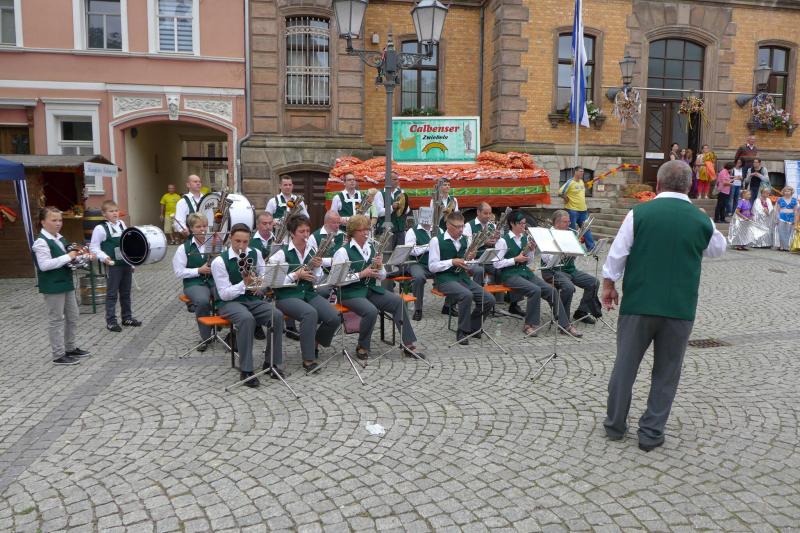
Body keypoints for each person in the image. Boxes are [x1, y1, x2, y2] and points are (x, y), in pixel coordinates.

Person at [601, 160, 726, 452]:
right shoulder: (700, 219)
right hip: (679, 308)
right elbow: (718, 248)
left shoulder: (639, 213)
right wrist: (701, 224)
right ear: (690, 186)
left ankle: (615, 425)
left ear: (657, 185)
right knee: (666, 373)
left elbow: (617, 255)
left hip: (639, 303)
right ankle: (651, 432)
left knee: (625, 366)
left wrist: (608, 285)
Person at [332, 215, 425, 360]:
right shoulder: (342, 252)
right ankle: (362, 346)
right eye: (362, 230)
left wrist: (380, 267)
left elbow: (382, 276)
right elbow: (337, 281)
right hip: (349, 293)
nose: (366, 233)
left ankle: (408, 345)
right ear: (353, 232)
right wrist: (361, 274)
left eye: (367, 229)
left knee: (398, 302)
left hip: (369, 289)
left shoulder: (370, 248)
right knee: (371, 311)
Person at [211, 223, 286, 388]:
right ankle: (246, 369)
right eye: (237, 241)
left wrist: (260, 283)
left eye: (245, 242)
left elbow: (263, 274)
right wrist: (244, 284)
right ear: (230, 239)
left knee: (276, 315)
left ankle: (271, 363)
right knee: (246, 319)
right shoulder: (219, 261)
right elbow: (224, 294)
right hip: (229, 303)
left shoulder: (255, 253)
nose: (241, 246)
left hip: (252, 299)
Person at [268, 215, 339, 373]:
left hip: (308, 293)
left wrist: (317, 267)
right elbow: (273, 282)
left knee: (334, 317)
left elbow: (317, 279)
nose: (306, 234)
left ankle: (314, 342)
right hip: (287, 296)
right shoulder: (280, 254)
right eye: (301, 231)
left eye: (307, 231)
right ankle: (308, 359)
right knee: (310, 313)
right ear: (292, 233)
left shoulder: (311, 251)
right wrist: (296, 275)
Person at [493, 210, 580, 338]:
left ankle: (564, 325)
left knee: (551, 291)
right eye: (521, 224)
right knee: (535, 290)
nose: (524, 226)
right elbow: (496, 264)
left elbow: (529, 261)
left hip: (524, 272)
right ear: (512, 223)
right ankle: (529, 325)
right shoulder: (503, 241)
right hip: (510, 275)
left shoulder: (524, 238)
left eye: (524, 223)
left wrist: (532, 251)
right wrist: (514, 259)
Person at [33, 207, 93, 365]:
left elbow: (70, 258)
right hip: (52, 286)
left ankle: (70, 348)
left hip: (66, 283)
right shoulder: (41, 242)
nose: (58, 223)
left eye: (60, 220)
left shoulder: (60, 238)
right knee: (56, 320)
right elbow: (44, 265)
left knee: (73, 316)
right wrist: (68, 256)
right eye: (54, 220)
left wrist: (83, 257)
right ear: (43, 222)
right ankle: (58, 355)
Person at [428, 211, 496, 345]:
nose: (461, 230)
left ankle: (473, 327)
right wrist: (451, 262)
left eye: (462, 226)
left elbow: (468, 265)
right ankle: (462, 331)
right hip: (444, 279)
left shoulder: (466, 239)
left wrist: (470, 259)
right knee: (466, 295)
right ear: (448, 225)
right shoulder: (436, 241)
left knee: (489, 299)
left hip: (462, 278)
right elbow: (432, 267)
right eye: (457, 227)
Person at [540, 210, 602, 326]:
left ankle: (581, 312)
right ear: (557, 223)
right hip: (552, 271)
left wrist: (575, 249)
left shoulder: (569, 234)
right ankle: (563, 319)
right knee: (568, 287)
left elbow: (574, 258)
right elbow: (547, 259)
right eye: (566, 222)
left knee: (594, 282)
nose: (569, 224)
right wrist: (562, 249)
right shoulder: (547, 236)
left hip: (570, 270)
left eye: (569, 221)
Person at [90, 200, 142, 332]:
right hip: (113, 265)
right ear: (104, 214)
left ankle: (127, 317)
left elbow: (127, 244)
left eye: (116, 210)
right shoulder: (100, 228)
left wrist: (132, 262)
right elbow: (94, 247)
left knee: (126, 292)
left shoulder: (122, 224)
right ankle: (111, 321)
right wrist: (104, 257)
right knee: (112, 294)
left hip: (125, 263)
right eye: (111, 211)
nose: (114, 213)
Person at [172, 213, 215, 352]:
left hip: (214, 280)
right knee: (202, 301)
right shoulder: (183, 248)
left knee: (228, 297)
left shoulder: (214, 243)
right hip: (194, 283)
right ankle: (205, 337)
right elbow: (178, 272)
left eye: (205, 226)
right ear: (191, 228)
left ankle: (229, 331)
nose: (202, 229)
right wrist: (198, 270)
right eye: (198, 226)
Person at [404, 208, 435, 321]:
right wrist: (428, 246)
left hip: (435, 263)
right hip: (417, 263)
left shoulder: (438, 230)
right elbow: (410, 250)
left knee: (453, 271)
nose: (427, 219)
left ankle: (448, 306)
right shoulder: (412, 231)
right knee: (418, 278)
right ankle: (418, 309)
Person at [308, 210, 346, 299]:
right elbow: (312, 260)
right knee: (321, 291)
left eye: (338, 223)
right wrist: (332, 261)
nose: (337, 226)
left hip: (342, 272)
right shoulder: (314, 237)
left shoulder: (343, 235)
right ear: (326, 223)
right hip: (323, 273)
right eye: (334, 223)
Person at [559, 166, 596, 252]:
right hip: (572, 210)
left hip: (583, 210)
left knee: (586, 229)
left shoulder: (581, 182)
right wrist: (566, 199)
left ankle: (591, 247)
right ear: (575, 172)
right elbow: (561, 192)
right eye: (580, 171)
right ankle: (572, 248)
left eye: (583, 171)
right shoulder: (570, 182)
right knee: (572, 229)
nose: (582, 173)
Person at [463, 202, 498, 286]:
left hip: (489, 260)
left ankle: (496, 292)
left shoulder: (493, 225)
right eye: (485, 213)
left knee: (499, 269)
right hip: (474, 260)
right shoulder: (468, 226)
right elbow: (466, 245)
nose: (488, 216)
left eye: (490, 213)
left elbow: (498, 245)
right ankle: (477, 292)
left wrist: (497, 240)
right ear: (478, 212)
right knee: (479, 271)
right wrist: (484, 242)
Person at [775, 187, 798, 251]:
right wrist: (777, 218)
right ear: (783, 192)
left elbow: (796, 211)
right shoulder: (780, 199)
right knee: (781, 231)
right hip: (782, 217)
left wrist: (795, 220)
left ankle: (788, 246)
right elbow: (777, 210)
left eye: (788, 191)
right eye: (785, 191)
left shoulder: (794, 200)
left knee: (789, 232)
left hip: (791, 217)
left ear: (791, 192)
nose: (787, 192)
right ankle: (781, 246)